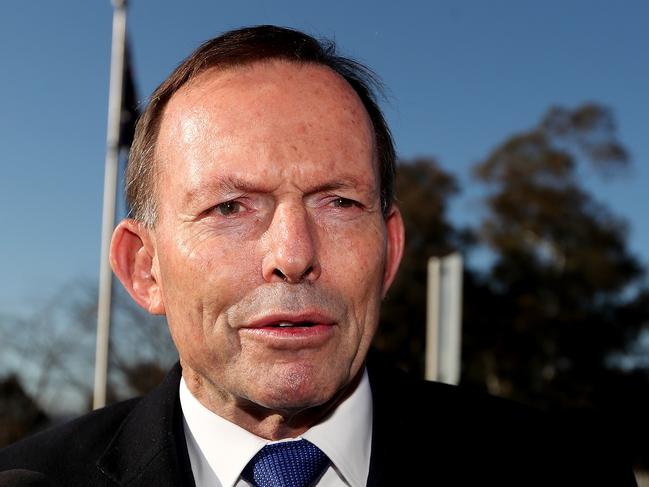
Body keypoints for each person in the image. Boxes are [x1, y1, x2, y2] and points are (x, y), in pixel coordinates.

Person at [0, 25, 638, 487]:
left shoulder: (566, 473)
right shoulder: (36, 478)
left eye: (337, 202)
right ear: (145, 268)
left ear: (389, 254)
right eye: (230, 208)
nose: (293, 254)